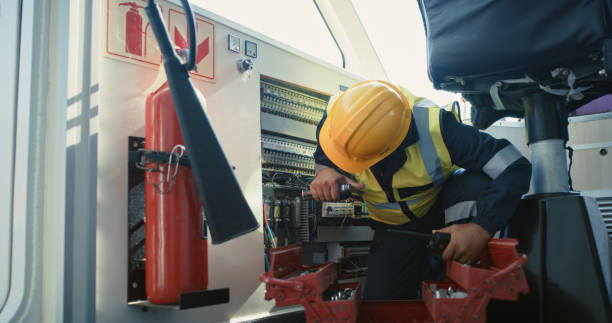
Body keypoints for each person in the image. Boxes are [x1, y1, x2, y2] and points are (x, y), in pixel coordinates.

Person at [309, 80, 531, 300]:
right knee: (381, 305)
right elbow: (324, 154)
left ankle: (460, 285)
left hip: (444, 211)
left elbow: (513, 166)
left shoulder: (439, 128)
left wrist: (481, 227)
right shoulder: (338, 119)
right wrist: (324, 171)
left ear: (391, 149)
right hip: (395, 230)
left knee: (476, 184)